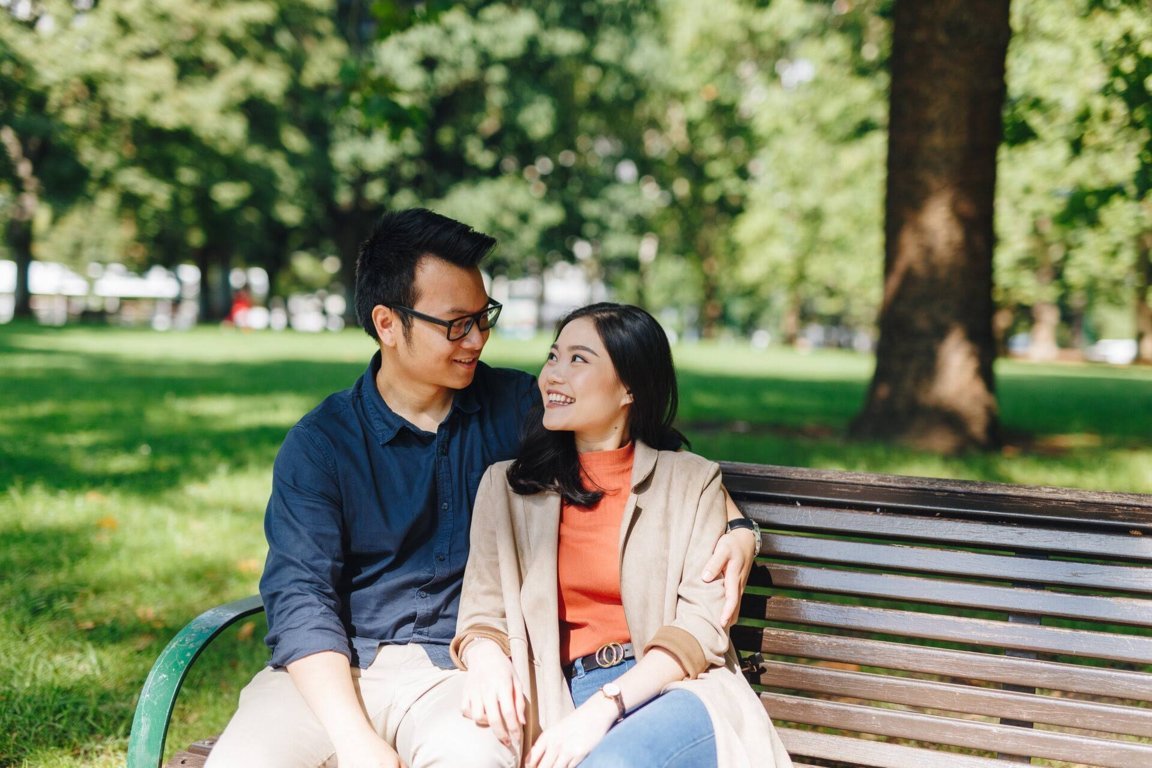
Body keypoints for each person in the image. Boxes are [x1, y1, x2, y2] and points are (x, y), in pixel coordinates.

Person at [206, 210, 760, 768]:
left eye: (483, 317)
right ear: (388, 324)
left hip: (462, 678)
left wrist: (738, 527)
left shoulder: (520, 409)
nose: (477, 339)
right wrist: (353, 740)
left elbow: (645, 455)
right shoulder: (322, 445)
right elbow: (301, 600)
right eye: (456, 324)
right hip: (330, 677)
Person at [451, 303, 792, 768]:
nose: (553, 374)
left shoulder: (689, 481)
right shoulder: (507, 488)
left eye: (578, 360)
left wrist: (605, 708)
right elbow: (482, 610)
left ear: (629, 386)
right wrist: (486, 657)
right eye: (553, 357)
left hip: (673, 688)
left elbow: (701, 627)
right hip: (559, 694)